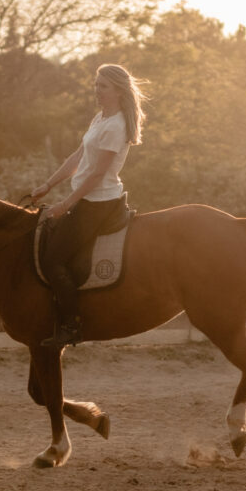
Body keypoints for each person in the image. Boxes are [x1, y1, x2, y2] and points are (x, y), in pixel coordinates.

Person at [31, 63, 147, 348]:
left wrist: (65, 203)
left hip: (98, 203)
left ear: (118, 90)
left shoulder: (117, 125)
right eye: (96, 84)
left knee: (54, 259)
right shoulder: (100, 118)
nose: (97, 90)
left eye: (103, 86)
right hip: (87, 198)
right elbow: (78, 156)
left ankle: (71, 325)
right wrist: (48, 185)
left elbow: (97, 174)